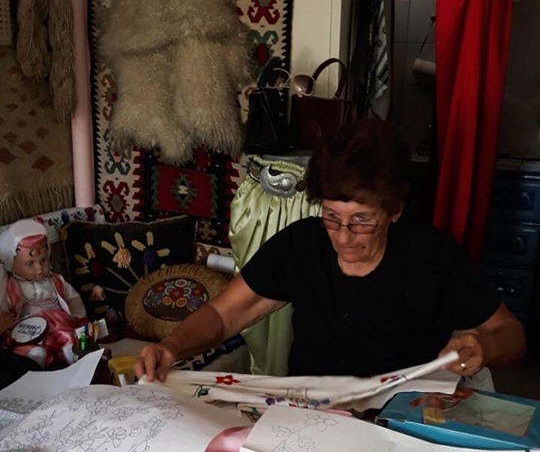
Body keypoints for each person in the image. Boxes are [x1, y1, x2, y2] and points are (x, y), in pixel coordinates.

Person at [135, 118, 525, 384]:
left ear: (395, 210)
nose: (344, 236)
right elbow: (223, 315)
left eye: (362, 220)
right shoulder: (303, 245)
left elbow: (511, 333)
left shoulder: (432, 257)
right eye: (332, 217)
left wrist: (485, 347)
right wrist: (171, 347)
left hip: (398, 422)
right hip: (312, 415)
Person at [0, 219, 87, 369]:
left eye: (43, 260)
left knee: (67, 336)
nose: (39, 268)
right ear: (12, 264)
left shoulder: (55, 280)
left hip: (58, 323)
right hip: (28, 329)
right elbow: (5, 307)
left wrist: (79, 317)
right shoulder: (11, 287)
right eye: (30, 263)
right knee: (28, 347)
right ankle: (34, 358)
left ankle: (69, 352)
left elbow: (72, 297)